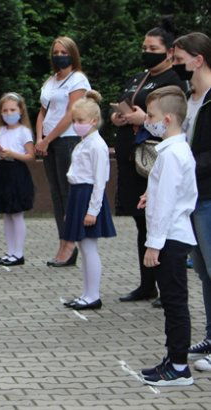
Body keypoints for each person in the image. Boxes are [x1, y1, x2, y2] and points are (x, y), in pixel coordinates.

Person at [113, 21, 186, 307]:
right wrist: (119, 117)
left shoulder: (173, 80)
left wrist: (142, 119)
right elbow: (125, 103)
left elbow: (170, 120)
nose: (147, 52)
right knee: (140, 221)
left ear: (169, 52)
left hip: (154, 161)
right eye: (144, 48)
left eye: (153, 49)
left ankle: (165, 282)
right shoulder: (138, 78)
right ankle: (147, 284)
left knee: (158, 221)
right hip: (132, 159)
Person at [137, 85, 196, 386]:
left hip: (170, 236)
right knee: (173, 302)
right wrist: (150, 192)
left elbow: (168, 203)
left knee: (174, 302)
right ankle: (173, 359)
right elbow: (164, 191)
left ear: (169, 119)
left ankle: (179, 367)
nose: (148, 120)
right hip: (170, 235)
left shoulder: (173, 154)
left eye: (151, 116)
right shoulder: (171, 150)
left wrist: (153, 244)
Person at [172, 33, 211, 371]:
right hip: (194, 197)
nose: (177, 64)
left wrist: (186, 169)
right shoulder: (190, 97)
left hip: (208, 195)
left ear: (198, 60)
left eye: (181, 58)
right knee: (205, 273)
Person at [36, 36, 92, 267]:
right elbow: (42, 111)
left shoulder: (77, 79)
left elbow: (71, 113)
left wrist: (48, 139)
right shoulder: (51, 80)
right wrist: (39, 138)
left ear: (73, 54)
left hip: (66, 141)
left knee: (68, 195)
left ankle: (71, 245)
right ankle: (62, 242)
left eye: (63, 52)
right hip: (48, 142)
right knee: (57, 195)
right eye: (56, 52)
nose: (59, 55)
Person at [60, 91, 116, 310]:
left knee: (89, 247)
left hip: (89, 196)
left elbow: (100, 181)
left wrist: (93, 210)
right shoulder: (83, 142)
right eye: (74, 121)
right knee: (84, 248)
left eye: (80, 121)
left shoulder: (97, 145)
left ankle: (93, 295)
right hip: (78, 194)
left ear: (93, 121)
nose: (76, 125)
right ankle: (87, 293)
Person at [0, 92, 35, 266]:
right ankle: (10, 251)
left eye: (12, 109)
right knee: (6, 214)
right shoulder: (0, 130)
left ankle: (19, 253)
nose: (8, 113)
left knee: (16, 213)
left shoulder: (24, 131)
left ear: (21, 110)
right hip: (2, 172)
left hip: (17, 172)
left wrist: (12, 153)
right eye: (5, 110)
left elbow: (30, 156)